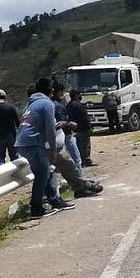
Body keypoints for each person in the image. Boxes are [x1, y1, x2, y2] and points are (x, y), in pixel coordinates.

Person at [15, 77, 75, 218]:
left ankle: (54, 200)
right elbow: (50, 129)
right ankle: (36, 209)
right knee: (42, 175)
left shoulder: (30, 104)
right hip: (33, 143)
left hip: (22, 142)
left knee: (45, 172)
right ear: (51, 90)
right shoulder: (47, 103)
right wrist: (52, 150)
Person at [51, 81, 103, 198]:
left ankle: (81, 185)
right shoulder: (57, 105)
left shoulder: (62, 105)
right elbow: (62, 122)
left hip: (60, 138)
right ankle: (83, 185)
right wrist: (70, 124)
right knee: (75, 161)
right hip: (64, 137)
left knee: (71, 163)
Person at [67, 89, 95, 167]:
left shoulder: (69, 105)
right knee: (85, 146)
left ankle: (84, 160)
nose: (80, 96)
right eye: (79, 94)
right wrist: (89, 126)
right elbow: (84, 117)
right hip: (83, 129)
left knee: (80, 146)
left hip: (76, 129)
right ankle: (85, 161)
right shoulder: (77, 105)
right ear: (76, 95)